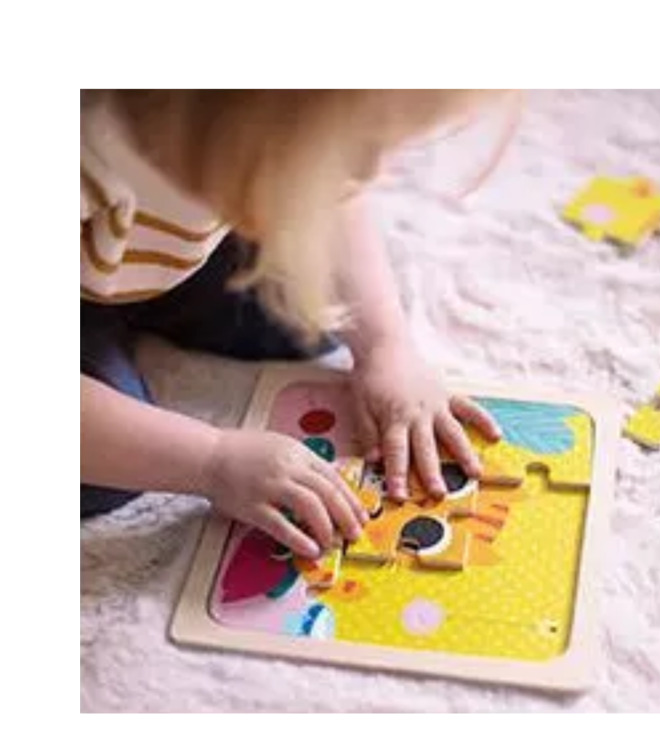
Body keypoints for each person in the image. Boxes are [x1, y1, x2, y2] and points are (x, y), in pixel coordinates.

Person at [81, 89, 515, 559]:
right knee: (99, 480)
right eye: (357, 146)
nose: (372, 172)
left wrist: (386, 345)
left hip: (166, 231)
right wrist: (213, 459)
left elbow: (333, 201)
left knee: (310, 313)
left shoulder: (260, 120)